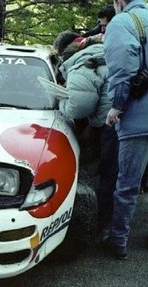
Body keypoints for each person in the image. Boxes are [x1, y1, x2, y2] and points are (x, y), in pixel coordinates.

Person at [53, 32, 119, 244]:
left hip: (111, 126)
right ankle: (111, 226)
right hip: (127, 120)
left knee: (108, 175)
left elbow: (77, 109)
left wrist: (61, 99)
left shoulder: (82, 65)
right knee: (117, 175)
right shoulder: (106, 54)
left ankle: (103, 227)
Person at [104, 0, 148, 260]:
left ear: (119, 2)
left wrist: (117, 105)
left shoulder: (123, 22)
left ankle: (118, 241)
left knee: (128, 185)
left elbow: (122, 70)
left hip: (138, 119)